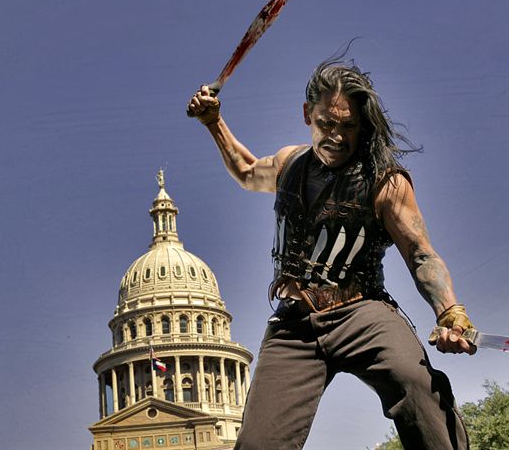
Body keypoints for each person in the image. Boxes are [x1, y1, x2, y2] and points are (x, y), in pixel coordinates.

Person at [187, 56, 477, 449]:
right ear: (307, 114)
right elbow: (246, 171)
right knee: (257, 443)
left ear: (362, 126)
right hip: (295, 324)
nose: (335, 136)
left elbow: (420, 253)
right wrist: (213, 122)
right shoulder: (289, 164)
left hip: (362, 312)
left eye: (347, 126)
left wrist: (450, 312)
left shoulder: (386, 183)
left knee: (416, 383)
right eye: (326, 123)